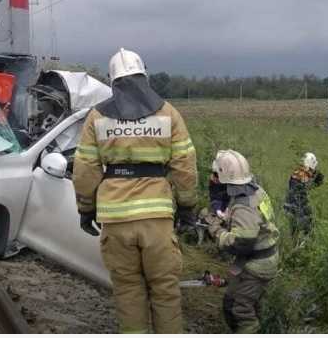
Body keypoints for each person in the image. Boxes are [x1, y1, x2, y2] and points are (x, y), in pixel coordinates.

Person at [72, 48, 197, 334]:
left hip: (115, 221)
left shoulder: (97, 117)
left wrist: (85, 208)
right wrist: (188, 207)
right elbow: (185, 165)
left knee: (128, 291)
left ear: (112, 80)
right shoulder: (168, 113)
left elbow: (85, 169)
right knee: (165, 291)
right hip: (157, 219)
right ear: (144, 75)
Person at [205, 150, 280, 334]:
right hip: (261, 257)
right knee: (232, 302)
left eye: (217, 176)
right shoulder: (256, 191)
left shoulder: (243, 205)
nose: (215, 180)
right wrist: (226, 219)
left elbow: (240, 244)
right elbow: (252, 221)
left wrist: (216, 230)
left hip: (256, 264)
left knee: (240, 311)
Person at [283, 152, 324, 241]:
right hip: (297, 208)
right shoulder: (301, 176)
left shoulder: (298, 173)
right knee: (306, 232)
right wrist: (317, 178)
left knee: (295, 234)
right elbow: (308, 185)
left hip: (291, 208)